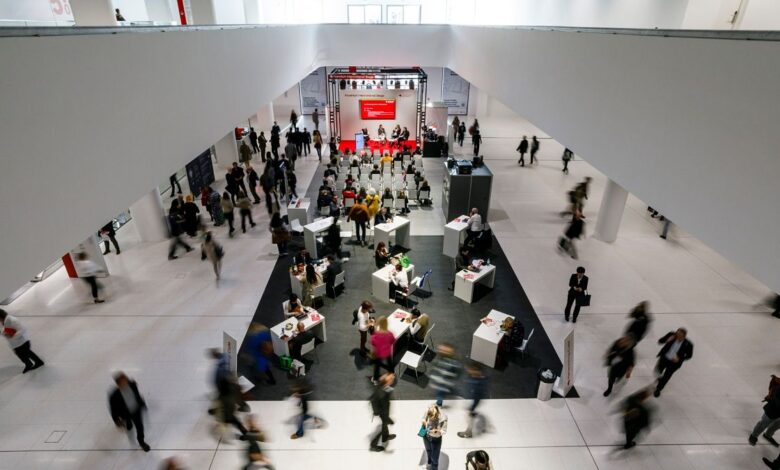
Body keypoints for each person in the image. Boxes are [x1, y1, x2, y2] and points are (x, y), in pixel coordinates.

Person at [109, 372, 151, 452]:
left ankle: (141, 442)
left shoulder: (132, 385)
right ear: (118, 384)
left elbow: (138, 396)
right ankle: (129, 424)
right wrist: (116, 421)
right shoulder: (114, 395)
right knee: (128, 424)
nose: (125, 382)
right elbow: (113, 409)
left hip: (136, 411)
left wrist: (142, 404)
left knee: (140, 427)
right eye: (123, 382)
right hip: (125, 414)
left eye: (126, 380)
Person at [0, 309, 44, 373]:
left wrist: (12, 336)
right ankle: (29, 363)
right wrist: (4, 333)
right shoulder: (3, 321)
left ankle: (39, 362)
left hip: (22, 342)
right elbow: (4, 330)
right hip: (15, 343)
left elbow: (22, 330)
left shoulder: (12, 320)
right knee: (21, 355)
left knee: (27, 353)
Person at [654, 328, 694, 397]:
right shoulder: (671, 335)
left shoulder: (688, 344)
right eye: (677, 334)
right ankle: (660, 378)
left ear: (684, 336)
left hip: (674, 363)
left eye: (679, 336)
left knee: (666, 376)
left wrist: (680, 358)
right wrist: (667, 340)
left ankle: (658, 389)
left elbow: (689, 356)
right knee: (658, 370)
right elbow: (660, 341)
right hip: (664, 358)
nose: (677, 336)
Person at [458, 363, 488, 439]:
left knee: (469, 417)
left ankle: (468, 432)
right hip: (470, 401)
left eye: (472, 369)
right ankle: (469, 430)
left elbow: (478, 397)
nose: (469, 371)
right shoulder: (474, 377)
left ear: (477, 371)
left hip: (473, 403)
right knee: (469, 416)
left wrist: (472, 408)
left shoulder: (479, 382)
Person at [749, 375, 780, 446]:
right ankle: (754, 435)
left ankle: (768, 435)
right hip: (772, 411)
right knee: (763, 424)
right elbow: (778, 401)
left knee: (777, 425)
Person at [369, 372, 396, 452]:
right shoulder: (382, 393)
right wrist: (387, 418)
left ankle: (385, 436)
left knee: (384, 425)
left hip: (383, 411)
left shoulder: (383, 386)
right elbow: (382, 406)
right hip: (382, 412)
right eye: (392, 379)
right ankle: (373, 446)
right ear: (387, 381)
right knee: (382, 428)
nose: (393, 380)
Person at [421, 404, 447, 470]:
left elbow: (444, 431)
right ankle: (429, 462)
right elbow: (423, 418)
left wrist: (436, 430)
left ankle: (433, 467)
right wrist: (424, 421)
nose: (430, 420)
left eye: (432, 419)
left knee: (435, 458)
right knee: (428, 450)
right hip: (426, 435)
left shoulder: (443, 418)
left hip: (436, 439)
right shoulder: (429, 410)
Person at [370, 316, 395, 382]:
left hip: (379, 353)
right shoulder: (390, 333)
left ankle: (375, 379)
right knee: (390, 363)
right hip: (388, 352)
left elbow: (373, 342)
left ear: (379, 324)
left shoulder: (376, 334)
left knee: (377, 366)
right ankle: (392, 373)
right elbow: (393, 340)